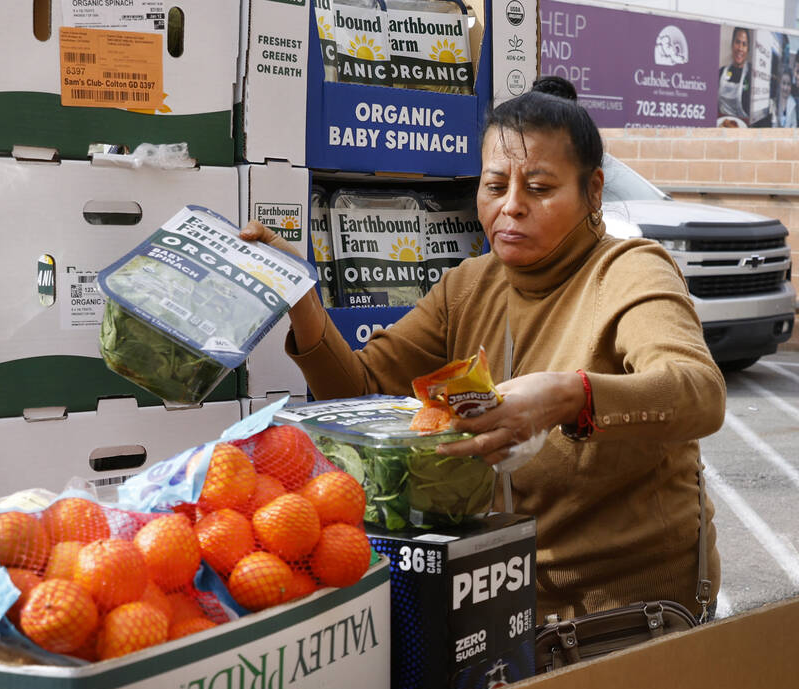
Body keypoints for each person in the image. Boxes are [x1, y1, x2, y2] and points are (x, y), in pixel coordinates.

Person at [240, 75, 724, 622]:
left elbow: (699, 394)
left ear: (593, 191)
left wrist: (570, 396)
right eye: (496, 187)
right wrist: (303, 300)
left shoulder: (631, 270)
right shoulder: (468, 285)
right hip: (497, 598)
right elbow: (360, 391)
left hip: (628, 615)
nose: (512, 207)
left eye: (539, 189)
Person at [717, 27, 751, 126]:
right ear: (732, 44)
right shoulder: (721, 72)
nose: (740, 48)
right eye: (737, 42)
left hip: (742, 132)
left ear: (748, 49)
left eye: (744, 44)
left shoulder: (751, 76)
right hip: (721, 127)